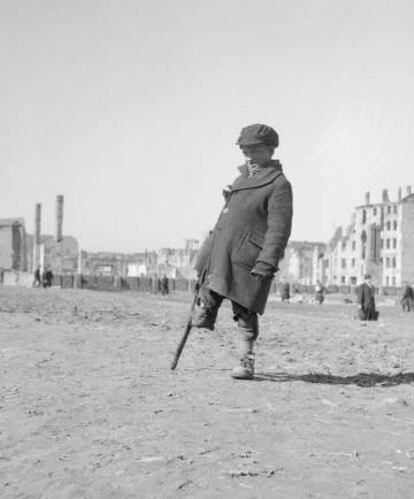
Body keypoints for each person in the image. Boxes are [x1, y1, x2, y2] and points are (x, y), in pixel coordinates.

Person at [192, 123, 293, 380]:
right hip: (223, 250)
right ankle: (207, 309)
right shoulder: (241, 179)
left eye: (255, 150)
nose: (248, 154)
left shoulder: (279, 184)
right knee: (210, 286)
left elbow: (279, 229)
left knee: (245, 311)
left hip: (248, 257)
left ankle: (246, 361)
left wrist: (267, 260)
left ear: (270, 151)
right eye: (245, 149)